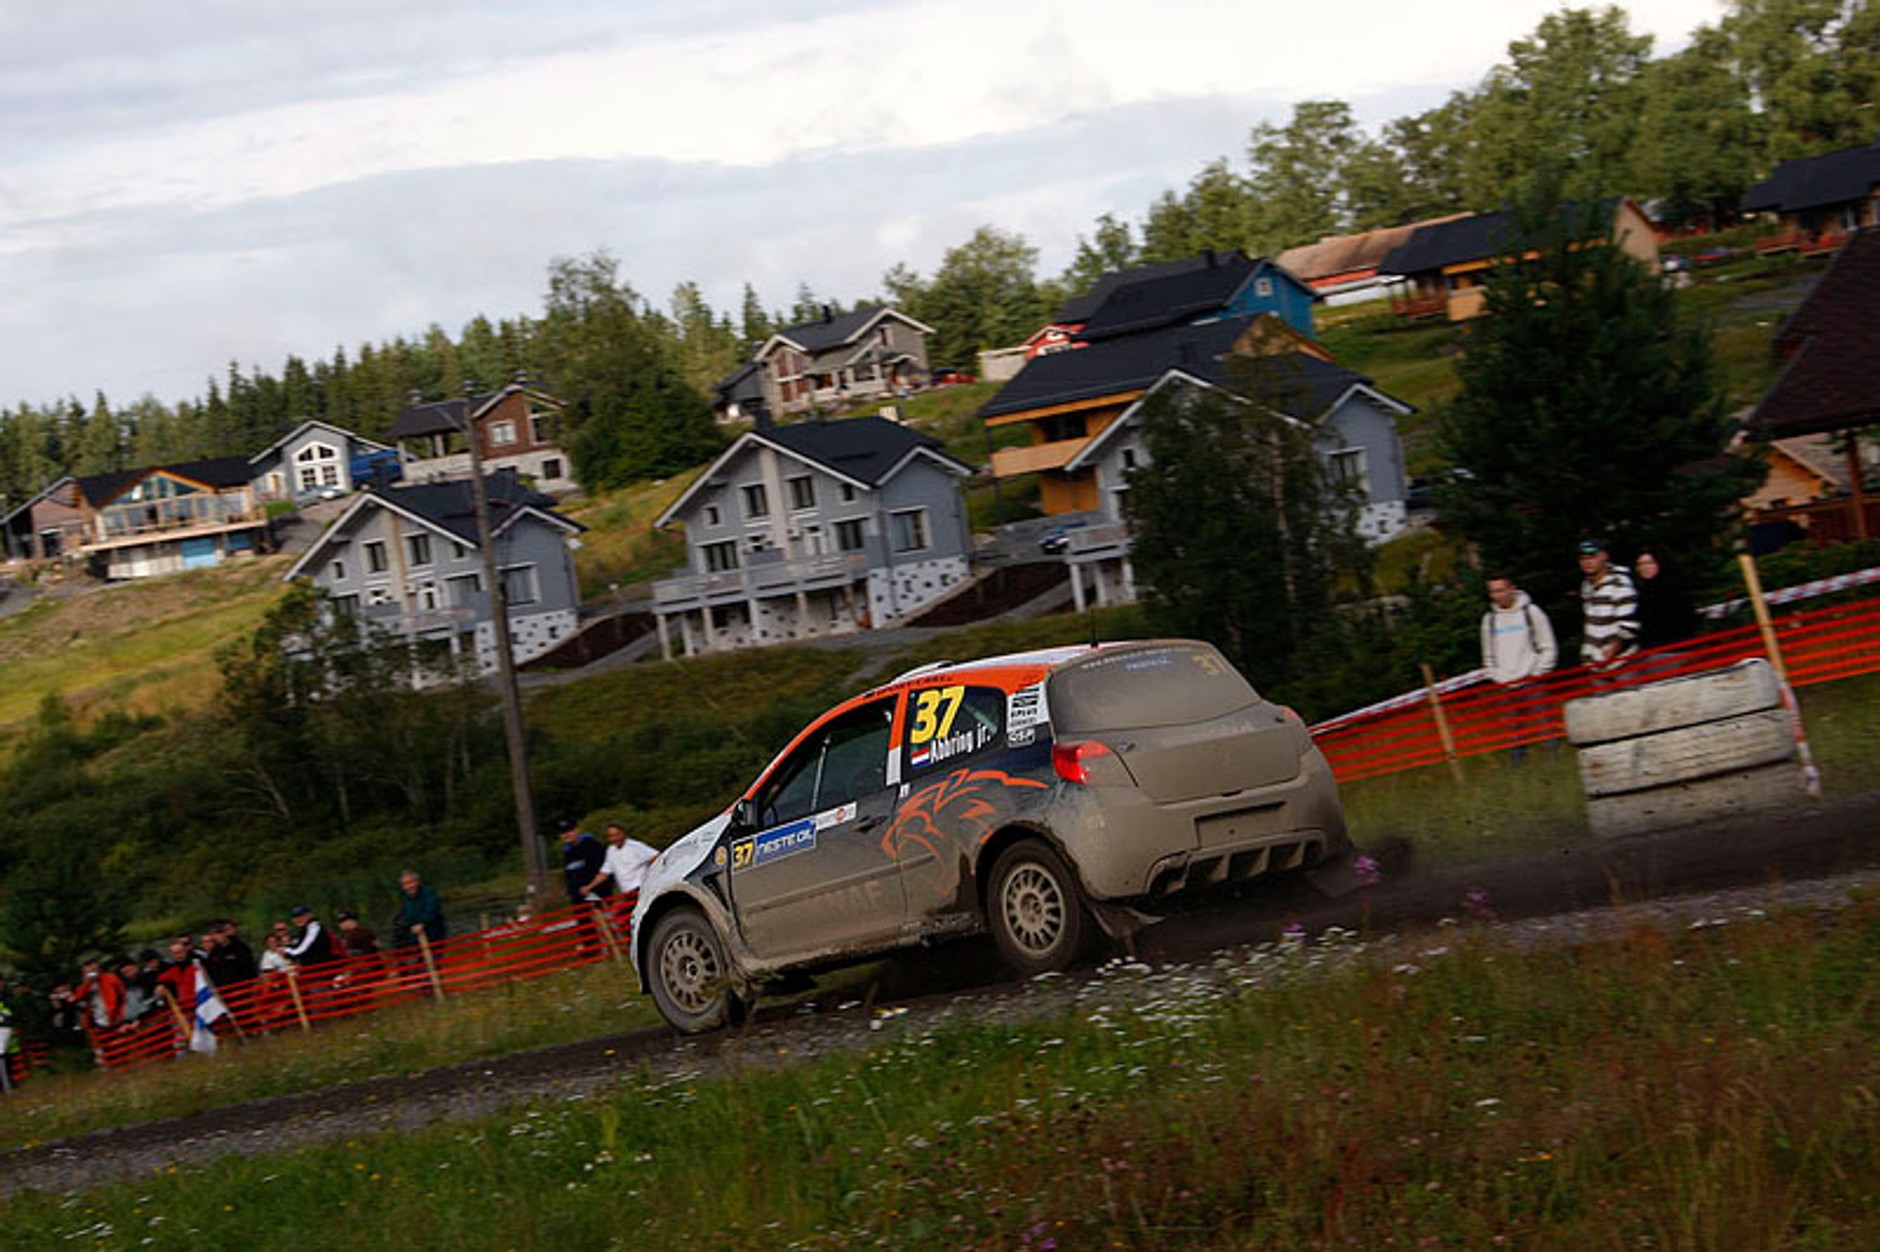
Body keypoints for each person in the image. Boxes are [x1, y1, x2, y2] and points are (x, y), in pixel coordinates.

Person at [581, 821, 661, 934]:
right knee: (622, 922)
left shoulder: (635, 846)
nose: (614, 838)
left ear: (623, 833)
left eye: (616, 835)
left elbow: (655, 857)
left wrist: (654, 878)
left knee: (641, 921)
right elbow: (604, 873)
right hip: (627, 895)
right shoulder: (611, 851)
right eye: (611, 836)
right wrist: (589, 887)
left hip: (641, 890)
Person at [1576, 538, 1638, 670]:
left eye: (1592, 557)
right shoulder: (1586, 585)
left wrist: (1614, 648)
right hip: (1595, 662)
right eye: (1583, 559)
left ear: (1604, 556)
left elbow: (1630, 623)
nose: (1587, 562)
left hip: (1622, 661)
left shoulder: (1619, 582)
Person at [1633, 549, 1698, 650]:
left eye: (1648, 563)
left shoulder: (1671, 587)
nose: (1643, 567)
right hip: (1654, 648)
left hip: (1673, 646)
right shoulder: (1645, 590)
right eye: (1639, 564)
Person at [559, 819, 609, 906]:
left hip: (598, 896)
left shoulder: (593, 845)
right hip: (579, 901)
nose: (566, 835)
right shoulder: (567, 852)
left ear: (577, 830)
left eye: (569, 831)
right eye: (563, 833)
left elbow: (604, 871)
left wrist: (590, 888)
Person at [393, 869, 448, 947]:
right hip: (416, 936)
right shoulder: (405, 898)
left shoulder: (428, 893)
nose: (409, 887)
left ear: (417, 882)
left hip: (434, 931)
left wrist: (422, 923)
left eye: (411, 883)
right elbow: (406, 915)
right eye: (405, 884)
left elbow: (432, 910)